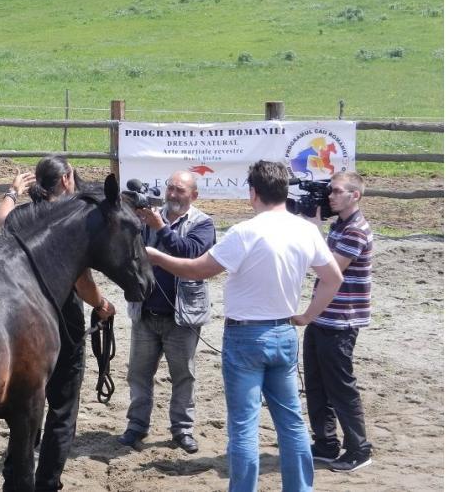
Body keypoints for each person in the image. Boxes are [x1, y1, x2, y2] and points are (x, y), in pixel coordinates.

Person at [144, 160, 343, 492]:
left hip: (245, 335)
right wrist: (308, 315)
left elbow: (196, 270)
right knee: (291, 422)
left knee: (243, 426)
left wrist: (157, 255)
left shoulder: (245, 232)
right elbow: (332, 278)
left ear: (253, 193)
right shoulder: (306, 230)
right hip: (283, 331)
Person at [0, 155, 116, 492]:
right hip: (61, 324)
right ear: (66, 180)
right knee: (62, 408)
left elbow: (2, 220)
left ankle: (15, 477)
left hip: (20, 323)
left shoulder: (22, 216)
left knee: (24, 408)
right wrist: (102, 304)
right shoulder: (68, 221)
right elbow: (82, 280)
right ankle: (47, 482)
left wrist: (11, 192)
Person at [117, 170, 216, 454]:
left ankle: (182, 429)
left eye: (180, 190)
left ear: (193, 195)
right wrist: (129, 213)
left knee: (183, 375)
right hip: (146, 312)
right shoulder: (147, 216)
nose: (172, 194)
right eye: (170, 188)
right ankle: (136, 426)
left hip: (182, 316)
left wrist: (160, 227)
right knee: (138, 374)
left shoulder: (203, 223)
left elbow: (190, 252)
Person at [302, 171, 374, 472]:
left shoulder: (355, 230)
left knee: (340, 387)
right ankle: (326, 442)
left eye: (336, 191)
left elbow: (329, 269)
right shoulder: (340, 226)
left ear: (354, 195)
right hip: (323, 317)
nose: (330, 196)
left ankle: (359, 448)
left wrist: (313, 232)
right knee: (316, 384)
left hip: (341, 322)